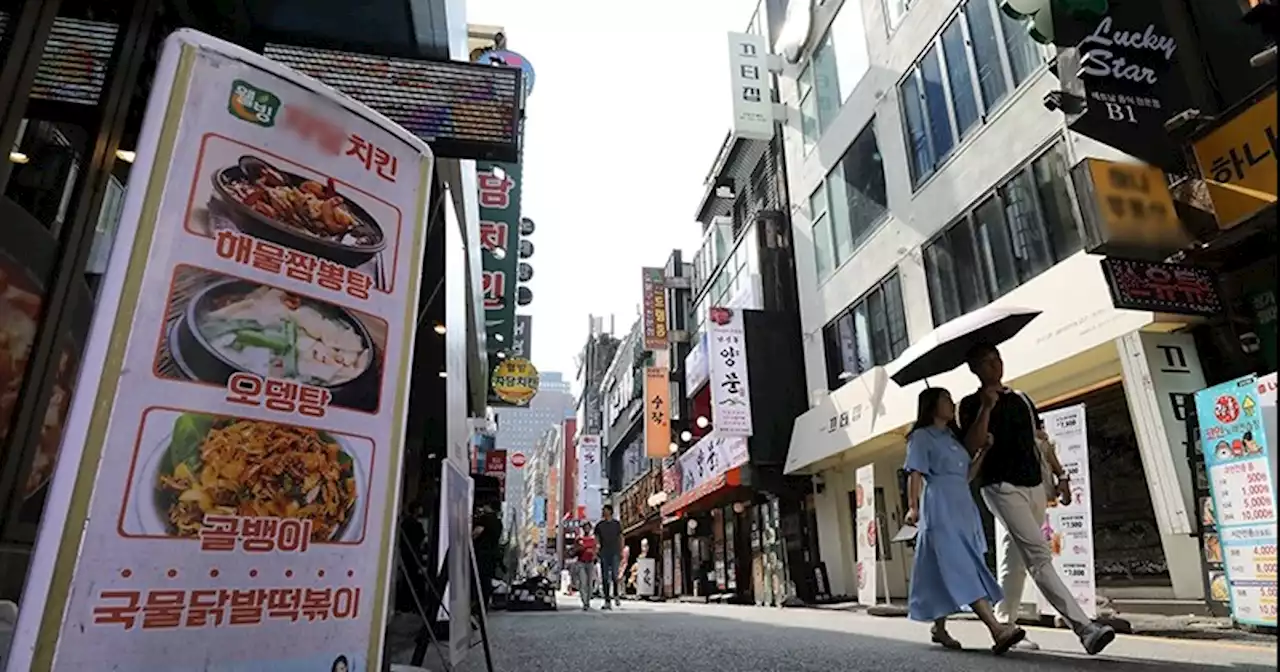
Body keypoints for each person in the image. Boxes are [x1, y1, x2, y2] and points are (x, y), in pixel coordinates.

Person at [959, 343, 1115, 655]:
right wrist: (987, 408)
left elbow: (1041, 440)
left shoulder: (1022, 398)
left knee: (1013, 560)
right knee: (1039, 557)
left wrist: (1061, 476)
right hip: (1000, 487)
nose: (995, 365)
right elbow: (970, 447)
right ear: (974, 369)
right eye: (986, 362)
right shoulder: (970, 404)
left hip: (1033, 485)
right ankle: (1084, 628)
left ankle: (1005, 623)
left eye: (997, 358)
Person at [904, 387, 1026, 654]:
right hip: (939, 507)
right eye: (946, 399)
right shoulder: (921, 437)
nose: (951, 404)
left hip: (963, 506)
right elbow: (914, 473)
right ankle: (996, 629)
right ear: (932, 405)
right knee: (961, 566)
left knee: (946, 567)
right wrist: (913, 507)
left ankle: (939, 627)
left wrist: (983, 452)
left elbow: (967, 476)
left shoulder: (952, 437)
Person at [472, 500, 503, 609]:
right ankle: (483, 604)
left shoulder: (485, 519)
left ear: (488, 506)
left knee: (479, 580)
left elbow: (476, 533)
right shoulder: (498, 522)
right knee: (486, 580)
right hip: (492, 555)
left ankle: (478, 604)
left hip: (482, 553)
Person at [595, 505, 623, 609]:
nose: (603, 512)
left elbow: (621, 537)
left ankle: (616, 595)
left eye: (605, 510)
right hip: (604, 553)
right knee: (605, 577)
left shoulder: (616, 524)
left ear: (610, 511)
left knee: (615, 576)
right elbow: (597, 538)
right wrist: (597, 548)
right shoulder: (599, 525)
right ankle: (607, 600)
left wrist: (621, 550)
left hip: (615, 552)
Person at [571, 523, 599, 611]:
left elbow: (596, 549)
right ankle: (585, 603)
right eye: (585, 527)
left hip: (590, 563)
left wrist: (595, 555)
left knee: (590, 583)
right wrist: (579, 548)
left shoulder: (594, 539)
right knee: (583, 583)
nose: (587, 529)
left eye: (588, 527)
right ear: (583, 528)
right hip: (581, 562)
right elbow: (574, 550)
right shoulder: (579, 538)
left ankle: (588, 600)